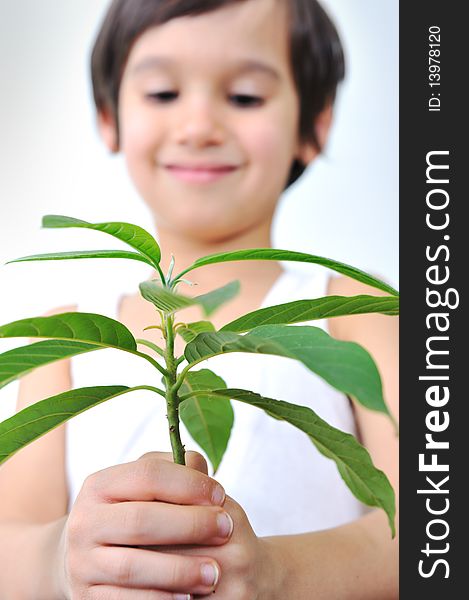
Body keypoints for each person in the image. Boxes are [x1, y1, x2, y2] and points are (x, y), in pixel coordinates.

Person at [0, 0, 399, 598]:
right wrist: (62, 561)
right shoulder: (63, 340)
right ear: (108, 116)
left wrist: (275, 574)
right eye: (162, 93)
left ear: (314, 123)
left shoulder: (357, 311)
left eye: (244, 97)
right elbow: (9, 543)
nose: (198, 126)